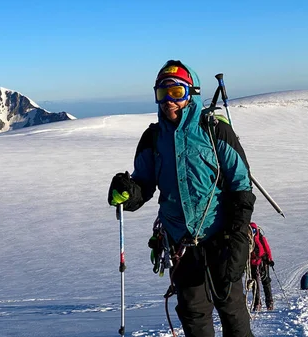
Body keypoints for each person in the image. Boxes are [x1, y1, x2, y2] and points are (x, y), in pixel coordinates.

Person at [108, 60, 256, 337]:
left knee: (232, 310)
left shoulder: (214, 130)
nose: (168, 101)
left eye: (177, 93)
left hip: (221, 236)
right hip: (181, 242)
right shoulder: (152, 138)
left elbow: (241, 185)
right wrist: (126, 193)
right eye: (162, 94)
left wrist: (237, 236)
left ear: (192, 94)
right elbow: (143, 187)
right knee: (193, 313)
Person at [249, 222, 274, 311]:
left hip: (263, 262)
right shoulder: (247, 240)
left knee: (266, 281)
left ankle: (269, 301)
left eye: (254, 230)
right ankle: (257, 303)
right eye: (251, 230)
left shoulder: (261, 238)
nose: (253, 232)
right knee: (255, 284)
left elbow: (267, 248)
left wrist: (270, 259)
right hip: (253, 264)